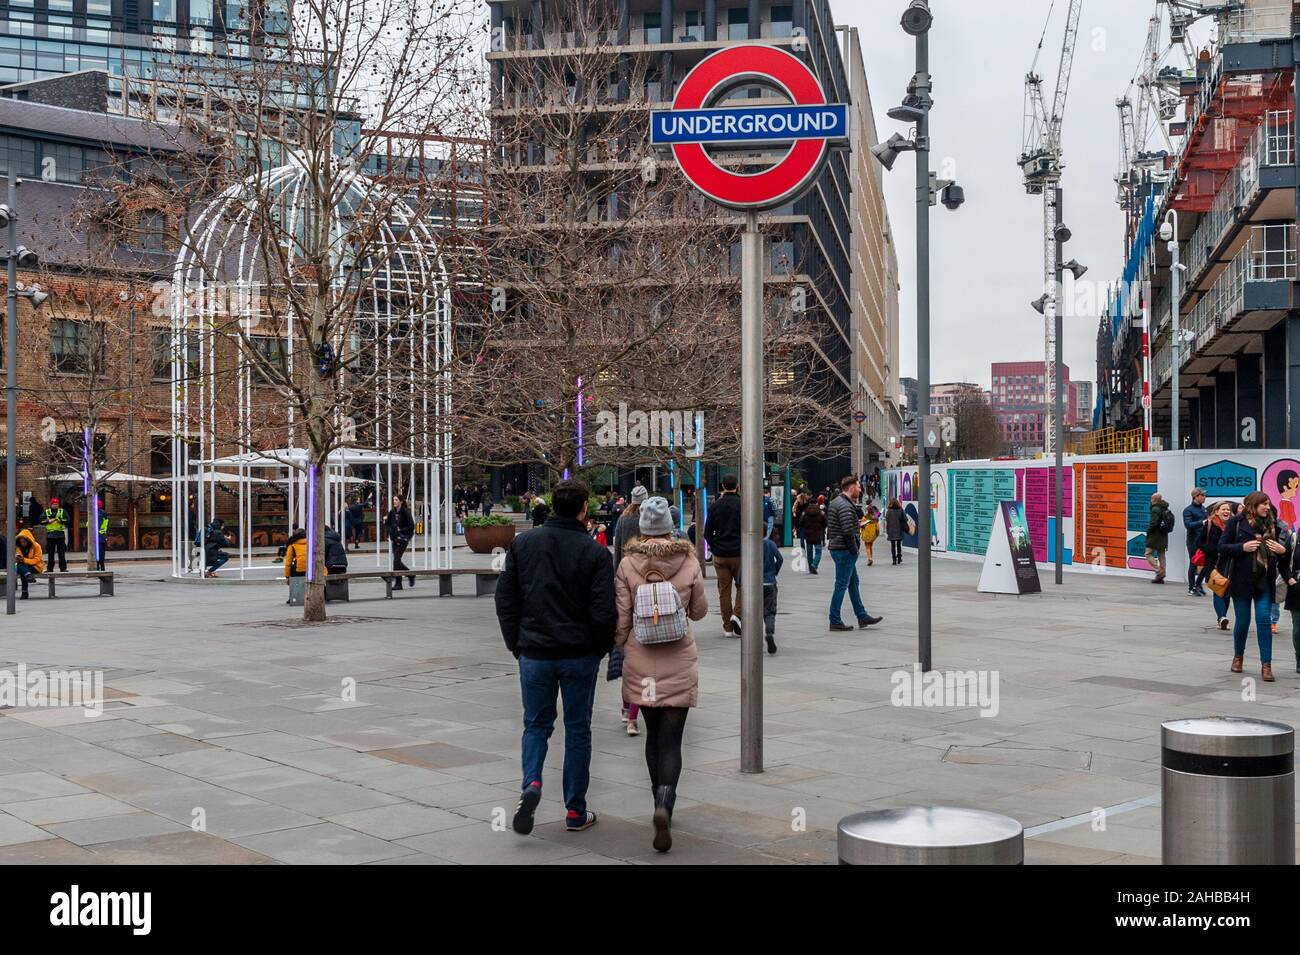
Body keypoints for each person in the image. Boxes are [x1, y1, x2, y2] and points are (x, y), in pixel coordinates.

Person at [496, 478, 615, 836]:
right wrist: (599, 648)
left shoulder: (523, 544)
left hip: (535, 651)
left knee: (536, 724)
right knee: (578, 729)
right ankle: (575, 810)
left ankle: (531, 783)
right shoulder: (594, 552)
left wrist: (516, 644)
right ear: (583, 509)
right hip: (579, 653)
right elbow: (604, 612)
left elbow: (506, 600)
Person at [613, 496, 708, 853]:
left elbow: (622, 618)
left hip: (641, 659)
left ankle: (657, 799)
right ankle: (666, 803)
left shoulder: (627, 563)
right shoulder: (688, 560)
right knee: (673, 740)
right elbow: (698, 611)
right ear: (670, 525)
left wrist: (623, 644)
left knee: (652, 738)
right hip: (678, 658)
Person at [1217, 490, 1286, 682]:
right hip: (1242, 581)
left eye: (1268, 503)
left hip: (1264, 581)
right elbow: (1221, 547)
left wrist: (1282, 550)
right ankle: (1238, 656)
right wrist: (1242, 547)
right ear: (1252, 506)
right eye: (1263, 503)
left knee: (1264, 620)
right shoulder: (1236, 522)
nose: (1266, 506)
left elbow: (1282, 552)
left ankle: (1266, 665)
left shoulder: (1273, 524)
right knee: (1243, 622)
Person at [826, 475, 882, 632]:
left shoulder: (838, 502)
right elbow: (847, 532)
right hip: (844, 550)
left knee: (852, 583)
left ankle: (862, 616)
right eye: (858, 486)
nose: (860, 489)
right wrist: (855, 550)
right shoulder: (844, 505)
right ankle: (834, 619)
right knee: (841, 585)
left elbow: (844, 526)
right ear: (850, 487)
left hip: (840, 548)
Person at [703, 473, 742, 636]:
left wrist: (713, 544)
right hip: (739, 552)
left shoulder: (715, 506)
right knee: (743, 586)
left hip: (720, 554)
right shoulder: (743, 504)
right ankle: (737, 614)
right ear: (737, 486)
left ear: (722, 487)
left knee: (724, 591)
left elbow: (706, 532)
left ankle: (727, 626)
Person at [1201, 501, 1234, 630]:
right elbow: (1199, 542)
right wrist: (1213, 550)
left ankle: (1222, 618)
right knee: (1218, 590)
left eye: (1228, 510)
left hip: (1228, 563)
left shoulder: (1233, 525)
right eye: (1223, 509)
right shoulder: (1209, 524)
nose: (1226, 512)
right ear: (1216, 512)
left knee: (1226, 592)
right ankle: (1222, 617)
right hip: (1213, 563)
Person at [384, 494, 416, 590]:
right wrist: (391, 530)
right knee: (397, 560)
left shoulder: (405, 512)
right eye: (393, 500)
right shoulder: (392, 513)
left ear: (401, 501)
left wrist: (401, 531)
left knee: (396, 560)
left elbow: (411, 526)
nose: (394, 501)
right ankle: (410, 575)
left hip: (403, 539)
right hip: (394, 539)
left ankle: (398, 583)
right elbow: (387, 524)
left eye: (396, 500)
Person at [614, 484, 648, 568]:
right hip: (646, 566)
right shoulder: (649, 517)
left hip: (626, 564)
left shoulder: (623, 517)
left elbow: (617, 545)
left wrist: (616, 570)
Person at [1182, 488, 1208, 596]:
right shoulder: (1188, 510)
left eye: (1204, 495)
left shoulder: (1204, 509)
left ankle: (1198, 585)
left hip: (1204, 540)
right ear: (1195, 497)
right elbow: (1188, 525)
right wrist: (1202, 522)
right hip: (1193, 540)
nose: (1204, 497)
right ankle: (1191, 587)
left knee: (1206, 563)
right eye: (1202, 495)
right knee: (1193, 563)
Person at [1145, 492, 1173, 584]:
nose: (1151, 500)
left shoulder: (1155, 509)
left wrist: (1148, 531)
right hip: (1163, 534)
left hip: (1155, 535)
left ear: (1154, 500)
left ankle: (1159, 572)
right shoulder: (1164, 507)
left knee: (1148, 553)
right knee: (1161, 554)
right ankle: (1161, 576)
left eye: (1151, 499)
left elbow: (1154, 523)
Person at [762, 534, 782, 656]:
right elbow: (780, 559)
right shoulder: (770, 544)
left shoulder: (749, 544)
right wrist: (774, 571)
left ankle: (753, 639)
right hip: (769, 581)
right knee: (769, 611)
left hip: (754, 584)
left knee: (752, 613)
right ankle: (769, 632)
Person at [12, 526, 43, 599]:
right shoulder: (19, 547)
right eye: (21, 542)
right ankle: (28, 576)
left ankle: (24, 593)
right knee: (22, 567)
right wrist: (17, 558)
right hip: (24, 567)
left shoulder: (36, 546)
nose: (23, 543)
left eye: (24, 542)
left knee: (22, 569)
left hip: (35, 566)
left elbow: (37, 560)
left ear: (28, 540)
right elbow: (18, 557)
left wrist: (24, 560)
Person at [799, 495, 826, 574]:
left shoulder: (805, 512)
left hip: (808, 535)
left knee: (809, 552)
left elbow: (800, 523)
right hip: (818, 534)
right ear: (816, 503)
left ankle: (811, 567)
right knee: (818, 552)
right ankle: (814, 564)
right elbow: (825, 523)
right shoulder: (821, 512)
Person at [42, 496, 68, 573]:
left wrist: (60, 520)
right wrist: (48, 521)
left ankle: (63, 568)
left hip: (60, 534)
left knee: (61, 553)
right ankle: (50, 568)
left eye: (56, 504)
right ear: (51, 504)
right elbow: (41, 521)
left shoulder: (62, 511)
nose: (55, 505)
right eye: (54, 504)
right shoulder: (47, 512)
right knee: (50, 553)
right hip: (50, 535)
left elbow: (67, 520)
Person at [86, 498, 108, 571]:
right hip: (99, 536)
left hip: (98, 536)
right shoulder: (99, 513)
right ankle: (100, 566)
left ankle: (99, 566)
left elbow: (104, 524)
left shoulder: (98, 513)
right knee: (99, 553)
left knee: (99, 553)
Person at [885, 498, 906, 565]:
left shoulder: (889, 511)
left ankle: (894, 560)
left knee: (893, 545)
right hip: (899, 529)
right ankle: (899, 558)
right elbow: (905, 519)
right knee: (899, 544)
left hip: (891, 529)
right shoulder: (900, 510)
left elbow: (886, 519)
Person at [860, 502, 880, 567]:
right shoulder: (876, 519)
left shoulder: (865, 517)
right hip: (873, 535)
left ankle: (869, 558)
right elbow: (877, 527)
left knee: (867, 547)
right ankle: (870, 558)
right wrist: (877, 533)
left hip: (866, 534)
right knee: (870, 546)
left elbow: (862, 525)